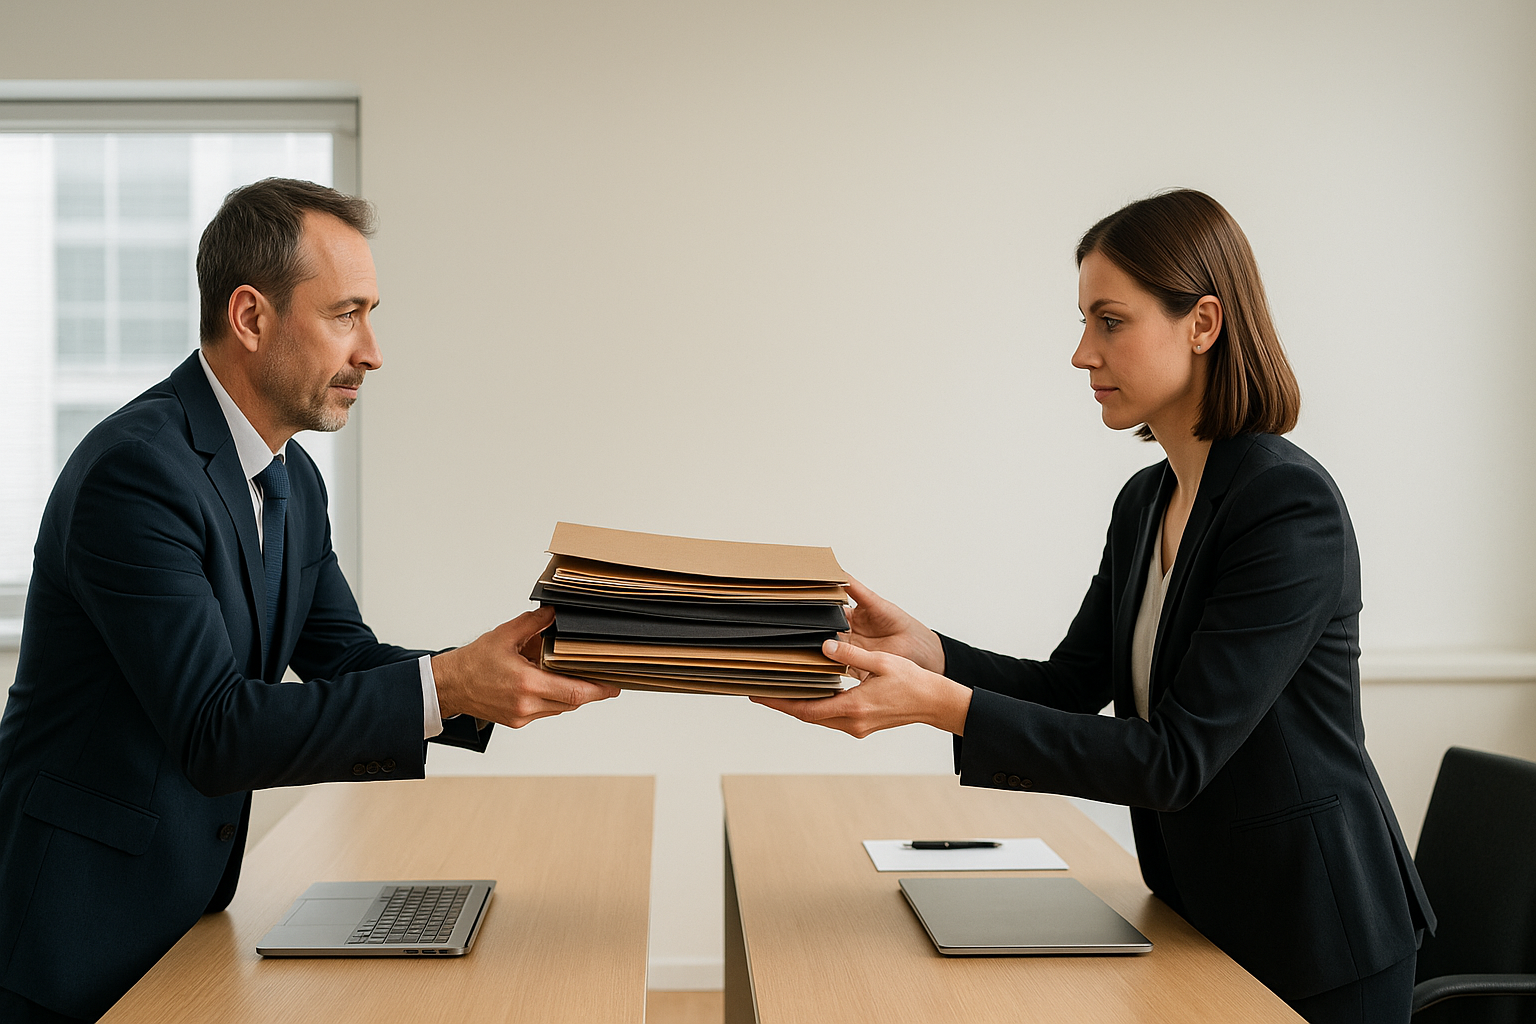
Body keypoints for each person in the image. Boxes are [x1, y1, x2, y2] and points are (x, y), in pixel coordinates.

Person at [754, 189, 1435, 1023]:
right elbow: (1073, 684)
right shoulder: (1146, 501)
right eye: (1085, 322)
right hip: (1200, 914)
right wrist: (930, 654)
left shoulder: (1286, 507)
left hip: (1317, 939)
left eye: (1110, 321)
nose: (1083, 353)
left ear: (1204, 323)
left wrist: (940, 708)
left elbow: (1175, 760)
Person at [0, 178, 620, 1022]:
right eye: (346, 315)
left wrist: (523, 665)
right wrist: (450, 686)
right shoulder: (136, 474)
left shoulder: (291, 479)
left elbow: (344, 658)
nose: (372, 351)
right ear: (251, 318)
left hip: (184, 909)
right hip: (70, 931)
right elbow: (215, 729)